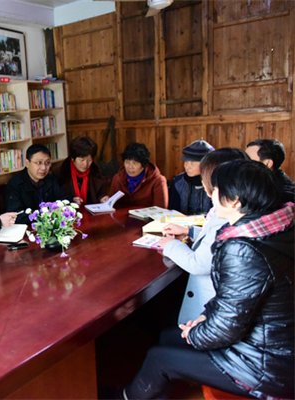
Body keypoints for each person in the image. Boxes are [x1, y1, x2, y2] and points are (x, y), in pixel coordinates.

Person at [120, 160, 295, 400]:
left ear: (234, 201)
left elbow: (226, 326)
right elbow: (233, 299)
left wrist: (195, 333)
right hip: (270, 346)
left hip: (264, 366)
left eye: (217, 189)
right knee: (168, 337)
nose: (212, 194)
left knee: (158, 358)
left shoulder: (243, 248)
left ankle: (126, 396)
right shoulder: (271, 229)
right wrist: (204, 318)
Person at [157, 148, 249, 325]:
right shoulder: (232, 207)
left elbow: (199, 264)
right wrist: (190, 231)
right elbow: (216, 238)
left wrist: (170, 245)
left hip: (210, 310)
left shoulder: (226, 214)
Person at [5, 144, 73, 225]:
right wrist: (45, 214)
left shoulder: (50, 179)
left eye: (47, 163)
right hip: (27, 228)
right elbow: (15, 215)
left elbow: (66, 201)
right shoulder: (15, 184)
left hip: (49, 226)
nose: (43, 168)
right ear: (27, 163)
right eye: (38, 163)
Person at [52, 136, 109, 206]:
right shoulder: (59, 172)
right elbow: (56, 198)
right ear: (72, 158)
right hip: (69, 211)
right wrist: (70, 201)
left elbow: (101, 193)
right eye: (82, 160)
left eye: (89, 160)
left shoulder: (95, 171)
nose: (86, 164)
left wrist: (103, 198)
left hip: (91, 211)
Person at [109, 143, 168, 208]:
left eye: (135, 163)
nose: (130, 167)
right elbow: (111, 205)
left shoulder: (158, 180)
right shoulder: (118, 178)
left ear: (143, 165)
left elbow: (161, 210)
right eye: (127, 162)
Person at [168, 138, 214, 215]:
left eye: (193, 162)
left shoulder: (216, 184)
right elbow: (173, 211)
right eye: (186, 161)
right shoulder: (179, 182)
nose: (187, 167)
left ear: (206, 164)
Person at [245, 138, 295, 203]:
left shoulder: (280, 195)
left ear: (268, 163)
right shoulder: (260, 179)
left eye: (248, 160)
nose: (242, 163)